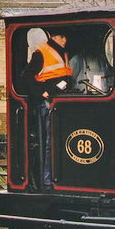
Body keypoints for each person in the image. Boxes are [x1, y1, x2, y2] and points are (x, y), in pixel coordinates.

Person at [23, 30, 80, 189]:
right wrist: (42, 93)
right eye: (61, 36)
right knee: (51, 143)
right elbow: (27, 76)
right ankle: (48, 180)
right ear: (52, 37)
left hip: (62, 102)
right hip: (50, 104)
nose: (64, 40)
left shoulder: (64, 54)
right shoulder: (41, 53)